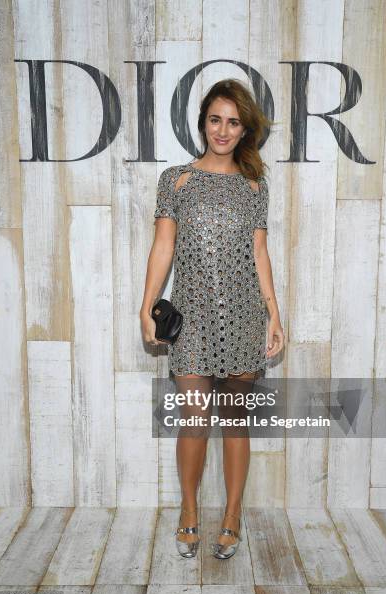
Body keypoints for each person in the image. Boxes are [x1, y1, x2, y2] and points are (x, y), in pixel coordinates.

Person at [140, 78, 284, 560]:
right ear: (202, 122)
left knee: (235, 420)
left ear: (245, 130)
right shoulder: (176, 181)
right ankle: (188, 511)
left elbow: (259, 252)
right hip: (193, 321)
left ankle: (232, 514)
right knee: (194, 420)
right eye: (215, 119)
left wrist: (273, 312)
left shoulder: (254, 185)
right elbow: (163, 247)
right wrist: (147, 306)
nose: (223, 130)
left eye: (234, 122)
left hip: (243, 315)